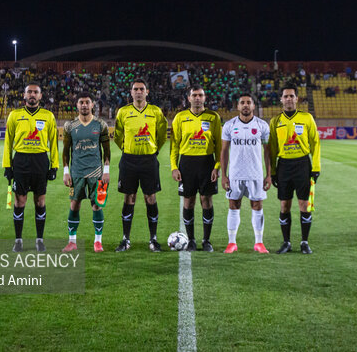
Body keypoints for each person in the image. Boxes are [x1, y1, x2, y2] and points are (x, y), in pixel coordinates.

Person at [2, 81, 59, 252]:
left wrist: (54, 166)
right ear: (24, 95)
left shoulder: (48, 116)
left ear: (40, 96)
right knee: (20, 202)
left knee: (40, 201)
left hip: (40, 161)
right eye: (29, 92)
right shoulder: (14, 115)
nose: (32, 95)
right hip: (21, 161)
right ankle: (18, 240)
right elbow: (8, 142)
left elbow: (54, 142)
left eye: (36, 92)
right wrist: (7, 165)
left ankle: (39, 240)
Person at [113, 79, 167, 252]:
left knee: (150, 198)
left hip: (149, 160)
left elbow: (162, 135)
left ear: (147, 91)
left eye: (141, 89)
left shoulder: (155, 112)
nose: (138, 92)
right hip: (129, 160)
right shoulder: (123, 112)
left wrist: (154, 151)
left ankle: (153, 239)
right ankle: (125, 240)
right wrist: (126, 149)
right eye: (135, 89)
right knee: (129, 198)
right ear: (131, 92)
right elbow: (117, 135)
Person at [268, 83, 321, 255]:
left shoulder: (307, 118)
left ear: (297, 99)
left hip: (302, 165)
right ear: (281, 99)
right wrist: (273, 171)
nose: (289, 99)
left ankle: (304, 242)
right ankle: (286, 243)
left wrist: (316, 167)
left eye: (292, 96)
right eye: (286, 96)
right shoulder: (275, 121)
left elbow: (315, 143)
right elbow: (272, 149)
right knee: (284, 205)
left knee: (304, 205)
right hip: (284, 166)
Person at [170, 85, 222, 252]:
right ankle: (191, 240)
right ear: (189, 98)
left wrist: (217, 166)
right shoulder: (180, 117)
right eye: (195, 95)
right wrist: (174, 167)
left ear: (205, 98)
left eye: (200, 95)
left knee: (206, 201)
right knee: (189, 201)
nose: (198, 98)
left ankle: (206, 240)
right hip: (187, 164)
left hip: (206, 163)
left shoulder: (213, 117)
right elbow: (174, 146)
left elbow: (219, 145)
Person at [220, 93, 271, 254]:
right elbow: (224, 151)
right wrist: (224, 175)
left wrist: (268, 174)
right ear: (238, 106)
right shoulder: (229, 125)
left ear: (254, 106)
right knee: (233, 205)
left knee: (257, 206)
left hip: (255, 174)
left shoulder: (262, 126)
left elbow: (267, 152)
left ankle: (259, 242)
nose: (246, 105)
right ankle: (232, 242)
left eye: (249, 102)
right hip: (235, 174)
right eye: (242, 102)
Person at [61, 92, 111, 253]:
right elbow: (66, 151)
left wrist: (107, 171)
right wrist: (66, 171)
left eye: (87, 102)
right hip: (76, 172)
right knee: (74, 204)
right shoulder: (70, 126)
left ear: (92, 105)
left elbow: (107, 150)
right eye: (81, 102)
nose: (84, 105)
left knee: (97, 205)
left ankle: (98, 242)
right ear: (77, 105)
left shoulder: (101, 125)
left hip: (97, 173)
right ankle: (72, 242)